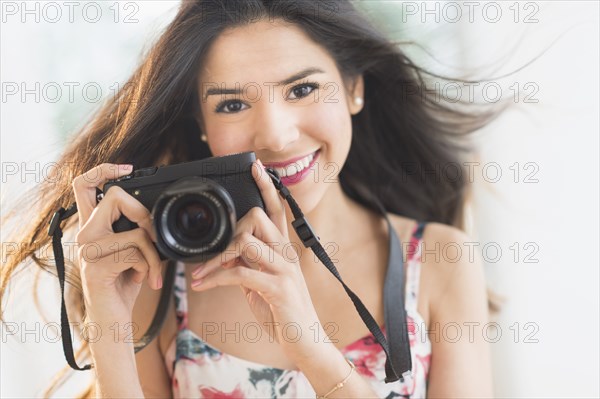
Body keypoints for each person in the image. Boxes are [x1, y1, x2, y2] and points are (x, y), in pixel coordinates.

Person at [2, 1, 502, 398]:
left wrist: (310, 346)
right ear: (200, 125)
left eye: (303, 89)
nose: (277, 136)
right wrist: (107, 324)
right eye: (233, 104)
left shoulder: (440, 260)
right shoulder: (156, 278)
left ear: (353, 88)